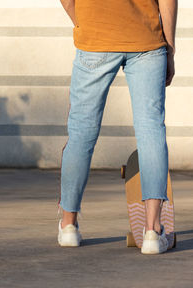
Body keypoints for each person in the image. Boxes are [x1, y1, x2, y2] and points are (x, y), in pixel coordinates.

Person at [57, 0, 177, 254]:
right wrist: (170, 49)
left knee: (81, 133)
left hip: (95, 39)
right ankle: (153, 231)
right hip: (146, 40)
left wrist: (86, 22)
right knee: (151, 130)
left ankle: (68, 226)